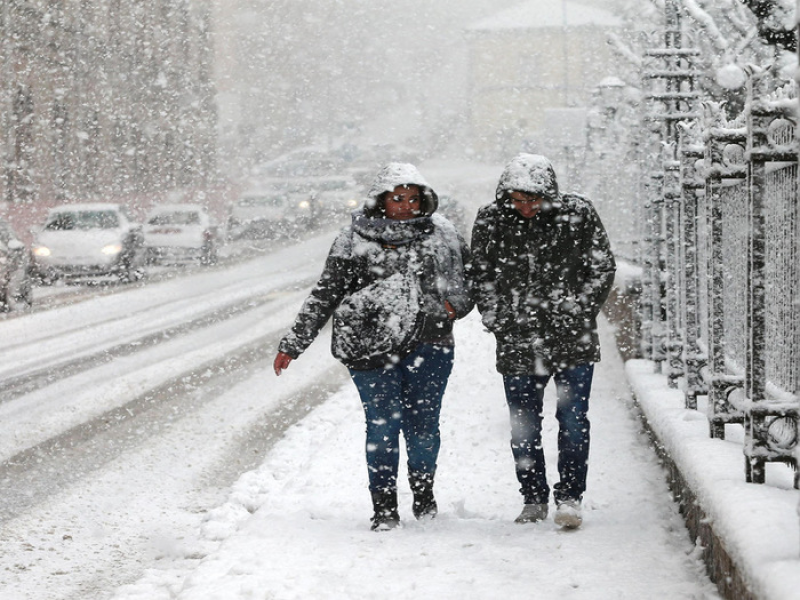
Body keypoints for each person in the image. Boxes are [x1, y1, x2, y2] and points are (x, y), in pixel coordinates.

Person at [273, 162, 473, 531]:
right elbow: (326, 293)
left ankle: (424, 494)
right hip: (371, 348)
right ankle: (383, 508)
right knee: (382, 426)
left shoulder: (443, 235)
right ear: (380, 199)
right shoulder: (353, 239)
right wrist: (295, 342)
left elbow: (472, 280)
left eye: (414, 198)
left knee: (423, 427)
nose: (406, 205)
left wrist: (453, 306)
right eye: (398, 197)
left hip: (431, 344)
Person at [470, 153, 615, 529]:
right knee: (524, 424)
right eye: (518, 200)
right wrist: (498, 316)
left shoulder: (578, 213)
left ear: (549, 192)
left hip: (573, 339)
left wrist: (578, 309)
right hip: (519, 339)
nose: (526, 208)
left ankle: (569, 496)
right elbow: (481, 273)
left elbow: (601, 266)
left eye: (533, 200)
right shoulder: (491, 219)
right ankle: (533, 497)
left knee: (573, 419)